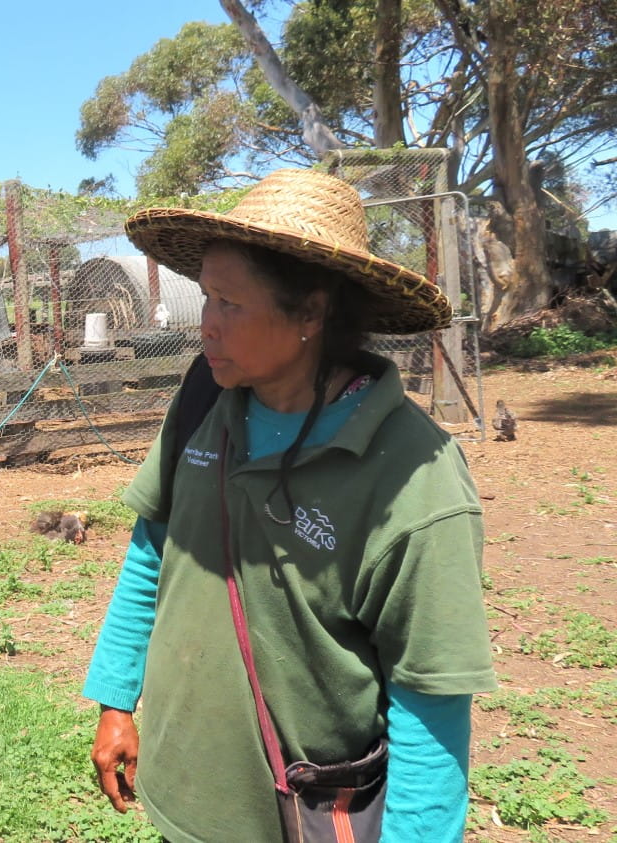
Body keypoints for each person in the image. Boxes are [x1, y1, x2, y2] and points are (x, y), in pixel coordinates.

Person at [83, 169, 497, 842]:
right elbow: (152, 548)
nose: (206, 327)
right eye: (205, 298)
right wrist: (115, 698)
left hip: (297, 815)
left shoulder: (414, 478)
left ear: (311, 312)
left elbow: (431, 699)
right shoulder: (203, 403)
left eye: (229, 303)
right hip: (181, 794)